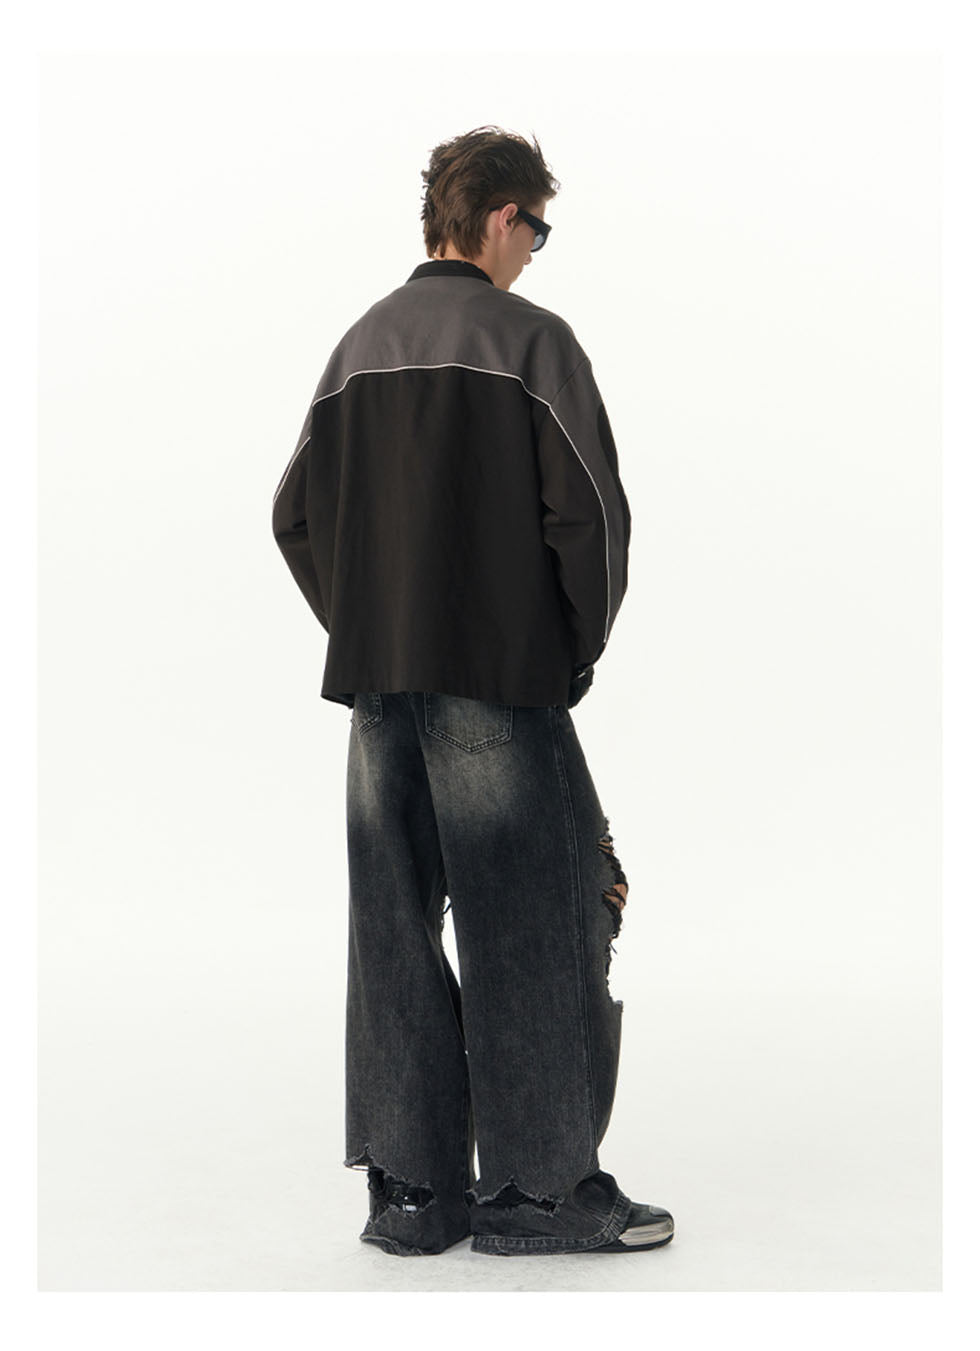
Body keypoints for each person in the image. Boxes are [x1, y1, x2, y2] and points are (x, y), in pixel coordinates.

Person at [271, 125, 674, 1257]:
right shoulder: (531, 340)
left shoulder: (357, 346)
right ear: (501, 216)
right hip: (500, 680)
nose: (535, 251)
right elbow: (592, 518)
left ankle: (412, 1195)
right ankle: (538, 1192)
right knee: (542, 912)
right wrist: (569, 653)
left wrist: (370, 626)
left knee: (393, 925)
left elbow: (293, 515)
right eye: (536, 228)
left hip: (380, 690)